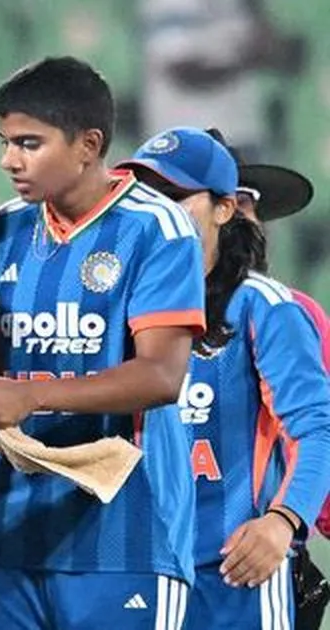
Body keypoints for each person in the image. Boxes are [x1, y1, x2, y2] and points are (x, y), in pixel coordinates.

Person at [0, 58, 206, 629]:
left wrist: (32, 396)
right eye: (5, 142)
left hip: (124, 534)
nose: (8, 160)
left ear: (88, 144)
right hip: (7, 532)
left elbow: (161, 377)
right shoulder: (1, 232)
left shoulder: (155, 228)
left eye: (29, 143)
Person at [117, 127, 330, 629]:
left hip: (234, 576)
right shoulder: (112, 308)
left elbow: (316, 427)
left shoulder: (265, 306)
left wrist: (284, 521)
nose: (159, 212)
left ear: (225, 208)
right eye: (146, 198)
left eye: (175, 196)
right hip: (131, 572)